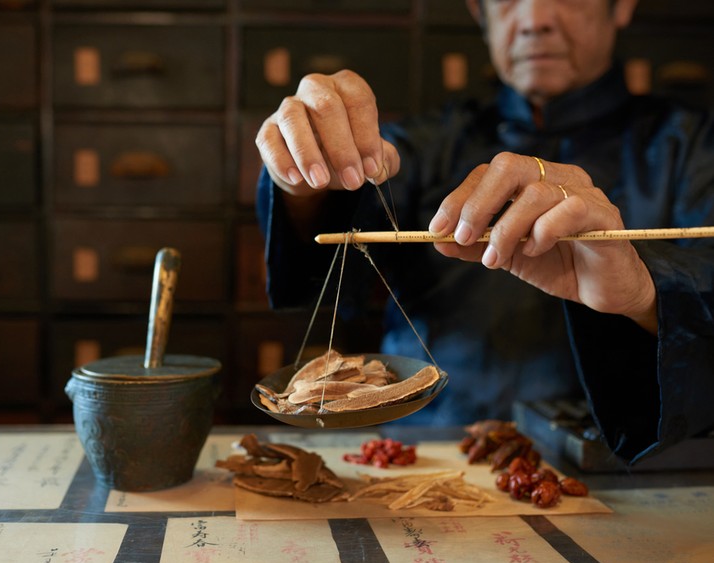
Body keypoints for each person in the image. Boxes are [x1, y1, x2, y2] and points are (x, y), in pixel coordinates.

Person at [255, 0, 714, 464]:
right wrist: (306, 174)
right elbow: (323, 275)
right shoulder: (425, 142)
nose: (536, 20)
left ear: (622, 7)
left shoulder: (693, 146)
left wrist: (645, 293)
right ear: (480, 13)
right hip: (428, 453)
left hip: (618, 466)